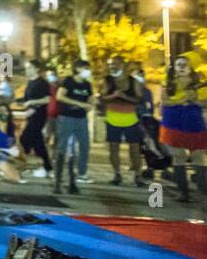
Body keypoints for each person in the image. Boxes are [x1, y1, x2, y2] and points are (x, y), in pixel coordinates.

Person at [160, 53, 207, 203]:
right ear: (174, 68)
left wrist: (196, 101)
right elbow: (165, 101)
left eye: (184, 65)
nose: (180, 67)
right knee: (178, 155)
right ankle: (183, 192)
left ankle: (203, 192)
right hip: (174, 122)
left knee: (198, 156)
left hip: (194, 121)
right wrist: (184, 99)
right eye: (178, 65)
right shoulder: (168, 82)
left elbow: (204, 103)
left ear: (190, 68)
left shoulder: (199, 84)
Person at [100, 55, 144, 187]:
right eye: (110, 64)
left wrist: (125, 97)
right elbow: (102, 97)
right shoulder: (107, 80)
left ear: (123, 65)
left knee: (135, 149)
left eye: (115, 64)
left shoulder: (133, 81)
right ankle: (117, 174)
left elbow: (138, 100)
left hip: (130, 118)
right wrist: (113, 96)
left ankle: (138, 175)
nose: (112, 67)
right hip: (113, 118)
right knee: (113, 148)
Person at [53, 58, 94, 195]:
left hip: (81, 118)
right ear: (78, 69)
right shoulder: (68, 81)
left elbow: (90, 98)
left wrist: (89, 104)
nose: (88, 72)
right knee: (63, 149)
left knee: (83, 146)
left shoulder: (87, 85)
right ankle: (58, 182)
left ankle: (76, 178)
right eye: (85, 69)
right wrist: (79, 104)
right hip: (67, 117)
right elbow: (60, 96)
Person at [16, 59, 53, 178]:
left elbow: (47, 99)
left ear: (37, 69)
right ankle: (47, 167)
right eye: (27, 68)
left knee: (24, 139)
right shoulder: (30, 83)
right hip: (30, 115)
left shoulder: (42, 83)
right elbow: (27, 99)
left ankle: (20, 164)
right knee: (37, 143)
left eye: (30, 67)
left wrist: (32, 102)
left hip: (39, 115)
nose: (27, 70)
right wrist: (21, 103)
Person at [0, 101, 26, 183]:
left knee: (26, 163)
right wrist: (6, 157)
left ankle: (6, 171)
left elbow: (17, 144)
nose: (3, 113)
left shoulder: (12, 126)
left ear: (9, 113)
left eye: (5, 111)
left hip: (9, 154)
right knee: (16, 178)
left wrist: (20, 155)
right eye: (0, 111)